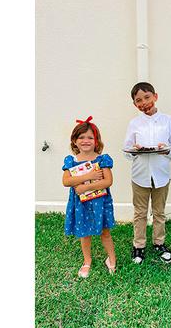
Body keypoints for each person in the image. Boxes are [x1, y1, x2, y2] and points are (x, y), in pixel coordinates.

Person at [123, 82, 171, 264]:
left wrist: (166, 150)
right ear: (135, 105)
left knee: (159, 212)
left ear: (155, 97)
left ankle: (159, 243)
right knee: (140, 213)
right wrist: (134, 149)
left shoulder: (168, 121)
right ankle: (139, 246)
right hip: (139, 176)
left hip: (161, 175)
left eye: (147, 97)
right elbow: (126, 151)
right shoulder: (134, 123)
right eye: (138, 101)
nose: (144, 103)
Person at [62, 116, 116, 278]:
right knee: (84, 233)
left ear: (96, 140)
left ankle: (111, 259)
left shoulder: (102, 160)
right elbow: (66, 181)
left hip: (100, 202)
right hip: (81, 204)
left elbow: (108, 181)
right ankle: (87, 261)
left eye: (90, 137)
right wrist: (89, 176)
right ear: (74, 141)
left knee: (105, 232)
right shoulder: (71, 161)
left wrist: (86, 186)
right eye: (81, 137)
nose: (86, 141)